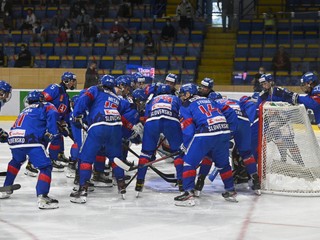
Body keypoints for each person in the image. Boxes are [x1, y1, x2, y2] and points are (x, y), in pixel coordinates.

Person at [174, 83, 237, 206]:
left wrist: (186, 146)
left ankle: (188, 194)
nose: (181, 97)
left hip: (206, 133)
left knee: (189, 162)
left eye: (182, 94)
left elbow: (188, 129)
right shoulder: (209, 100)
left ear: (188, 94)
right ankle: (230, 191)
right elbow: (230, 111)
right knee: (223, 164)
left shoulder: (186, 105)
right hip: (223, 131)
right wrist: (231, 131)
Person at [70, 75, 129, 203]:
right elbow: (124, 108)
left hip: (99, 125)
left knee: (86, 158)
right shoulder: (117, 98)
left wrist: (76, 114)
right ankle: (121, 186)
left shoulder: (95, 89)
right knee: (116, 158)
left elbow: (83, 99)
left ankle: (83, 189)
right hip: (116, 127)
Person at [0, 90, 60, 210]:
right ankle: (43, 197)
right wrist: (52, 134)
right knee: (45, 167)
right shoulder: (46, 105)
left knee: (16, 161)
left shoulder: (24, 110)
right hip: (30, 139)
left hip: (14, 138)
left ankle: (5, 188)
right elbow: (53, 117)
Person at [135, 84, 184, 197]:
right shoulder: (175, 98)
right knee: (178, 152)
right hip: (171, 120)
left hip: (152, 121)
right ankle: (182, 182)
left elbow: (146, 116)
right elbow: (181, 114)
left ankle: (139, 182)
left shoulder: (152, 99)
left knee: (145, 153)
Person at [257, 73, 304, 165]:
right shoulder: (262, 95)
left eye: (265, 83)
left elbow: (293, 102)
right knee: (279, 141)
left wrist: (280, 112)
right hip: (272, 124)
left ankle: (300, 163)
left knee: (290, 143)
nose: (263, 86)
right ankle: (283, 160)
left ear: (271, 81)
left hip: (284, 122)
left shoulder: (280, 91)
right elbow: (259, 110)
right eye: (262, 84)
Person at [42, 71, 77, 171]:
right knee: (55, 136)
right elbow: (42, 100)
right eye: (73, 81)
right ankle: (52, 159)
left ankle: (59, 154)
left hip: (54, 120)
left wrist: (64, 123)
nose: (74, 83)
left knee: (61, 133)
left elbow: (66, 113)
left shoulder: (65, 95)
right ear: (66, 81)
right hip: (47, 119)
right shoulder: (55, 88)